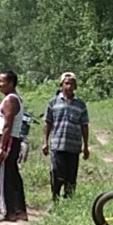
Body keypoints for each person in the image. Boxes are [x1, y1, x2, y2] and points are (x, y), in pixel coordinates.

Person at [41, 72, 89, 205]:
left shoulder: (80, 104)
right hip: (57, 144)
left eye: (72, 84)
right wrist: (45, 142)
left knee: (71, 175)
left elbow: (84, 125)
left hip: (74, 146)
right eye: (66, 83)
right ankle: (54, 199)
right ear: (61, 85)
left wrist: (86, 146)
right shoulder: (53, 102)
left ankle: (69, 201)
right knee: (56, 172)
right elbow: (47, 123)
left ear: (75, 86)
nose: (69, 86)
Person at [0, 70, 28, 222]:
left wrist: (1, 147)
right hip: (9, 139)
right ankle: (19, 210)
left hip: (6, 140)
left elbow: (7, 125)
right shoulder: (12, 99)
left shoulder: (10, 100)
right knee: (12, 174)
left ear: (11, 83)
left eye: (2, 81)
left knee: (4, 176)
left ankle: (8, 212)